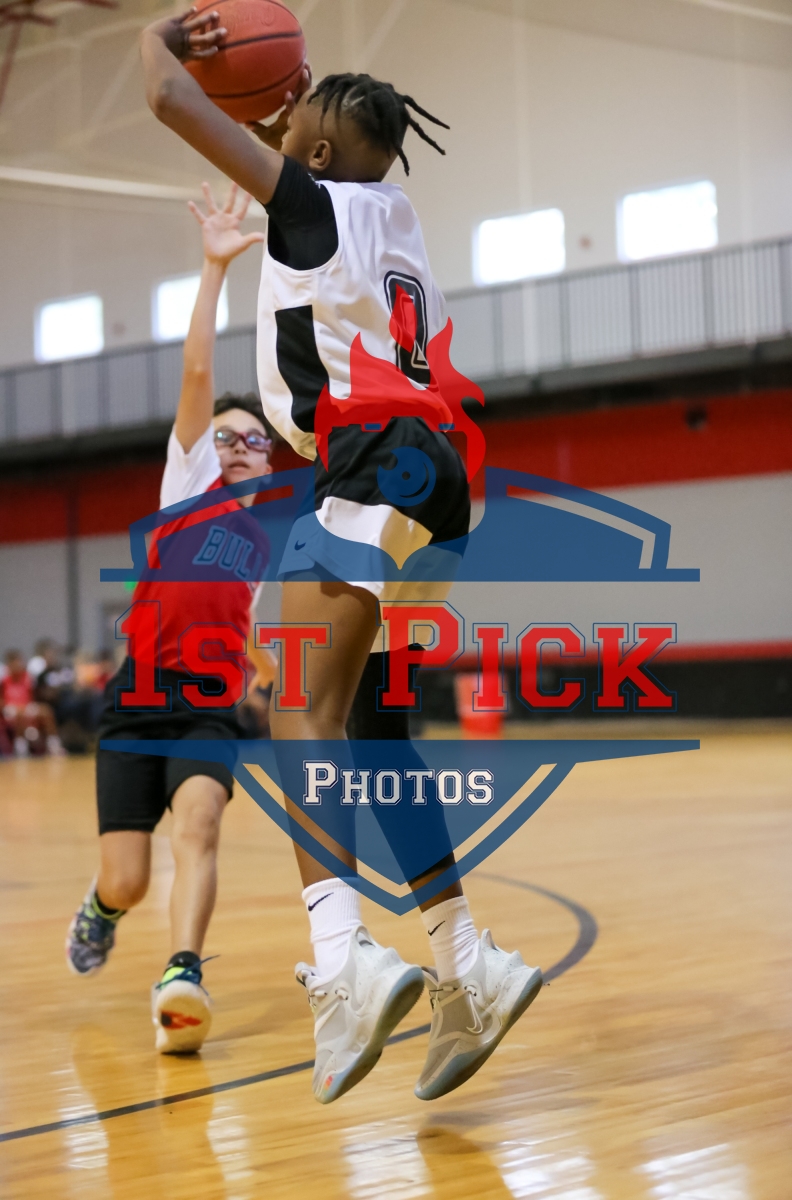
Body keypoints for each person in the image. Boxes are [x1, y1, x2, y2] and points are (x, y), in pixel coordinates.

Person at [141, 12, 542, 1100]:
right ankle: (467, 964)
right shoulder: (392, 211)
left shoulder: (308, 202)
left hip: (369, 456)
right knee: (373, 727)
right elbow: (320, 145)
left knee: (296, 703)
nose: (283, 114)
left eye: (297, 116)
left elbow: (166, 96)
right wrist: (297, 99)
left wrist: (164, 36)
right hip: (442, 476)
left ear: (315, 152)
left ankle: (342, 961)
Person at [66, 182, 275, 1054]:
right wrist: (214, 268)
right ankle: (102, 906)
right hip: (138, 700)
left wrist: (269, 678)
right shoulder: (188, 487)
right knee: (128, 879)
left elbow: (243, 624)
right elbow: (196, 373)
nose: (236, 445)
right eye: (224, 435)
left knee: (200, 825)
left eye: (251, 437)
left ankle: (183, 970)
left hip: (207, 710)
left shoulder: (265, 539)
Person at [1, 648, 63, 756]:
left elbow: (33, 696)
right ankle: (21, 747)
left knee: (46, 711)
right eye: (15, 663)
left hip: (27, 707)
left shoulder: (27, 678)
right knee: (21, 714)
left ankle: (54, 745)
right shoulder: (4, 680)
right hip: (10, 709)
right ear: (9, 665)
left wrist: (31, 707)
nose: (18, 665)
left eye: (19, 662)